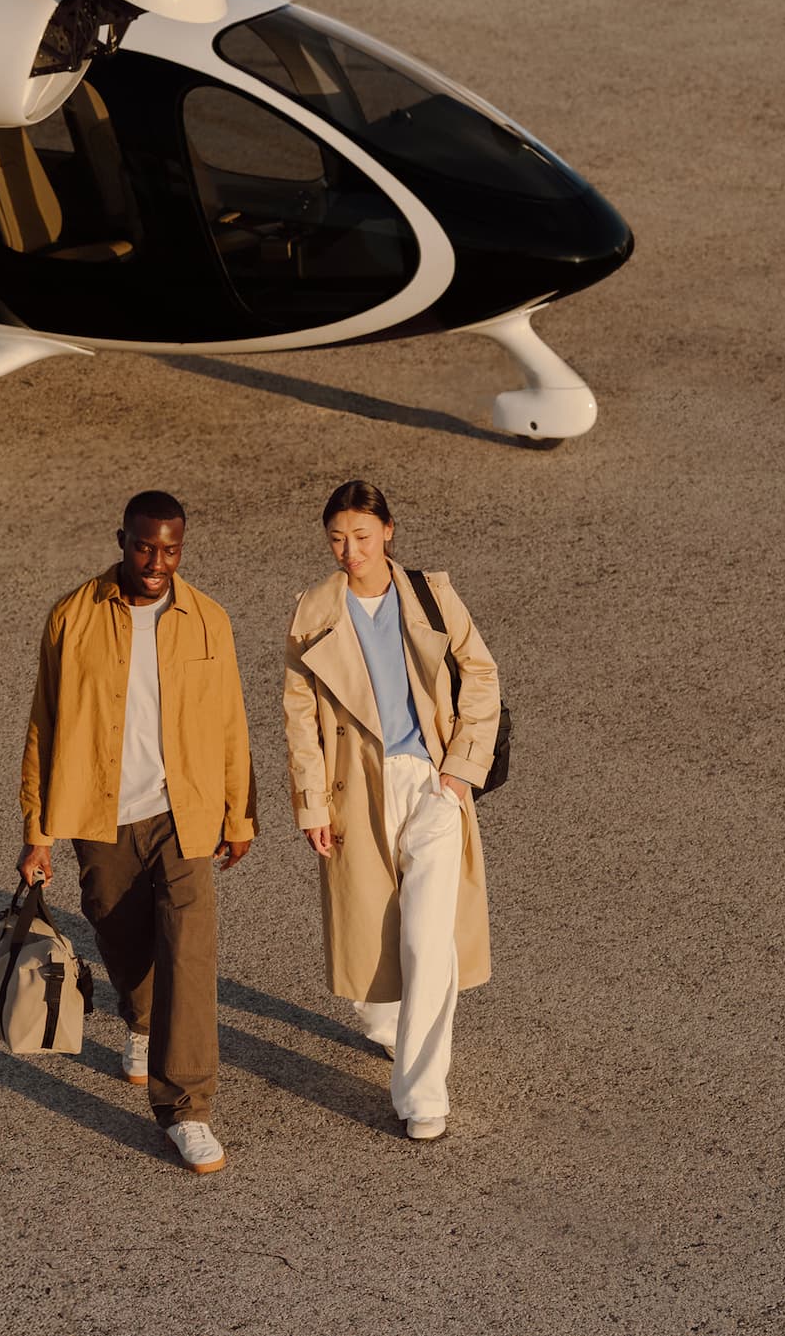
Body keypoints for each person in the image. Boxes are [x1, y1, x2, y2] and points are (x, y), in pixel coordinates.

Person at [17, 490, 256, 1174]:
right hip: (101, 814)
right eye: (145, 546)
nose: (157, 561)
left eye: (170, 548)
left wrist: (239, 814)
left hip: (185, 814)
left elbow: (232, 722)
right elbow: (44, 725)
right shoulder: (72, 617)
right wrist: (38, 831)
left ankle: (187, 1107)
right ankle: (142, 1020)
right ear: (122, 538)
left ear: (183, 547)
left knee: (190, 949)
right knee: (118, 933)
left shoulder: (209, 619)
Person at [281, 480, 498, 1141]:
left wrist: (459, 774)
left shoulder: (431, 595)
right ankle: (385, 1021)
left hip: (432, 784)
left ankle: (422, 1094)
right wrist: (312, 803)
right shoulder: (313, 611)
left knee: (428, 940)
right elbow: (299, 718)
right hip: (354, 789)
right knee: (371, 935)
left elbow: (481, 673)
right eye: (338, 539)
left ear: (389, 532)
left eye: (363, 537)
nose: (351, 551)